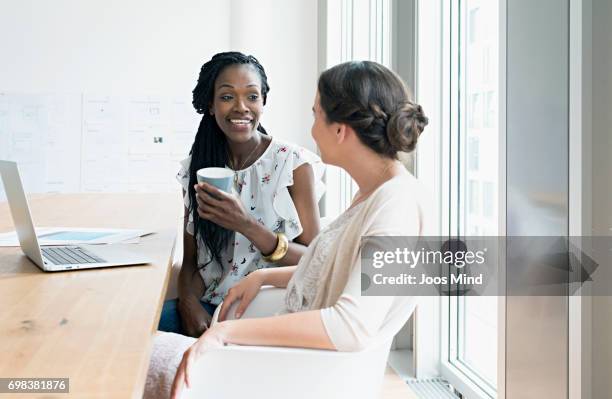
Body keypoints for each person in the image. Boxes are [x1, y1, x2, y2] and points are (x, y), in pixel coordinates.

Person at [144, 60, 431, 399]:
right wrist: (263, 277)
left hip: (297, 374)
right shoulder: (377, 194)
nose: (311, 130)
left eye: (315, 115)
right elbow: (333, 267)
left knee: (130, 354)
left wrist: (227, 334)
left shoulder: (395, 205)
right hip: (289, 359)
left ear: (340, 130)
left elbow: (350, 327)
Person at [158, 52, 325, 337]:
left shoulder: (293, 165)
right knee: (132, 332)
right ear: (210, 105)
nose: (241, 107)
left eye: (252, 96)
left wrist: (244, 224)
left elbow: (314, 262)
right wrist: (188, 305)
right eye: (226, 97)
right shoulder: (196, 168)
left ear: (263, 102)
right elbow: (191, 263)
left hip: (271, 312)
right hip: (212, 308)